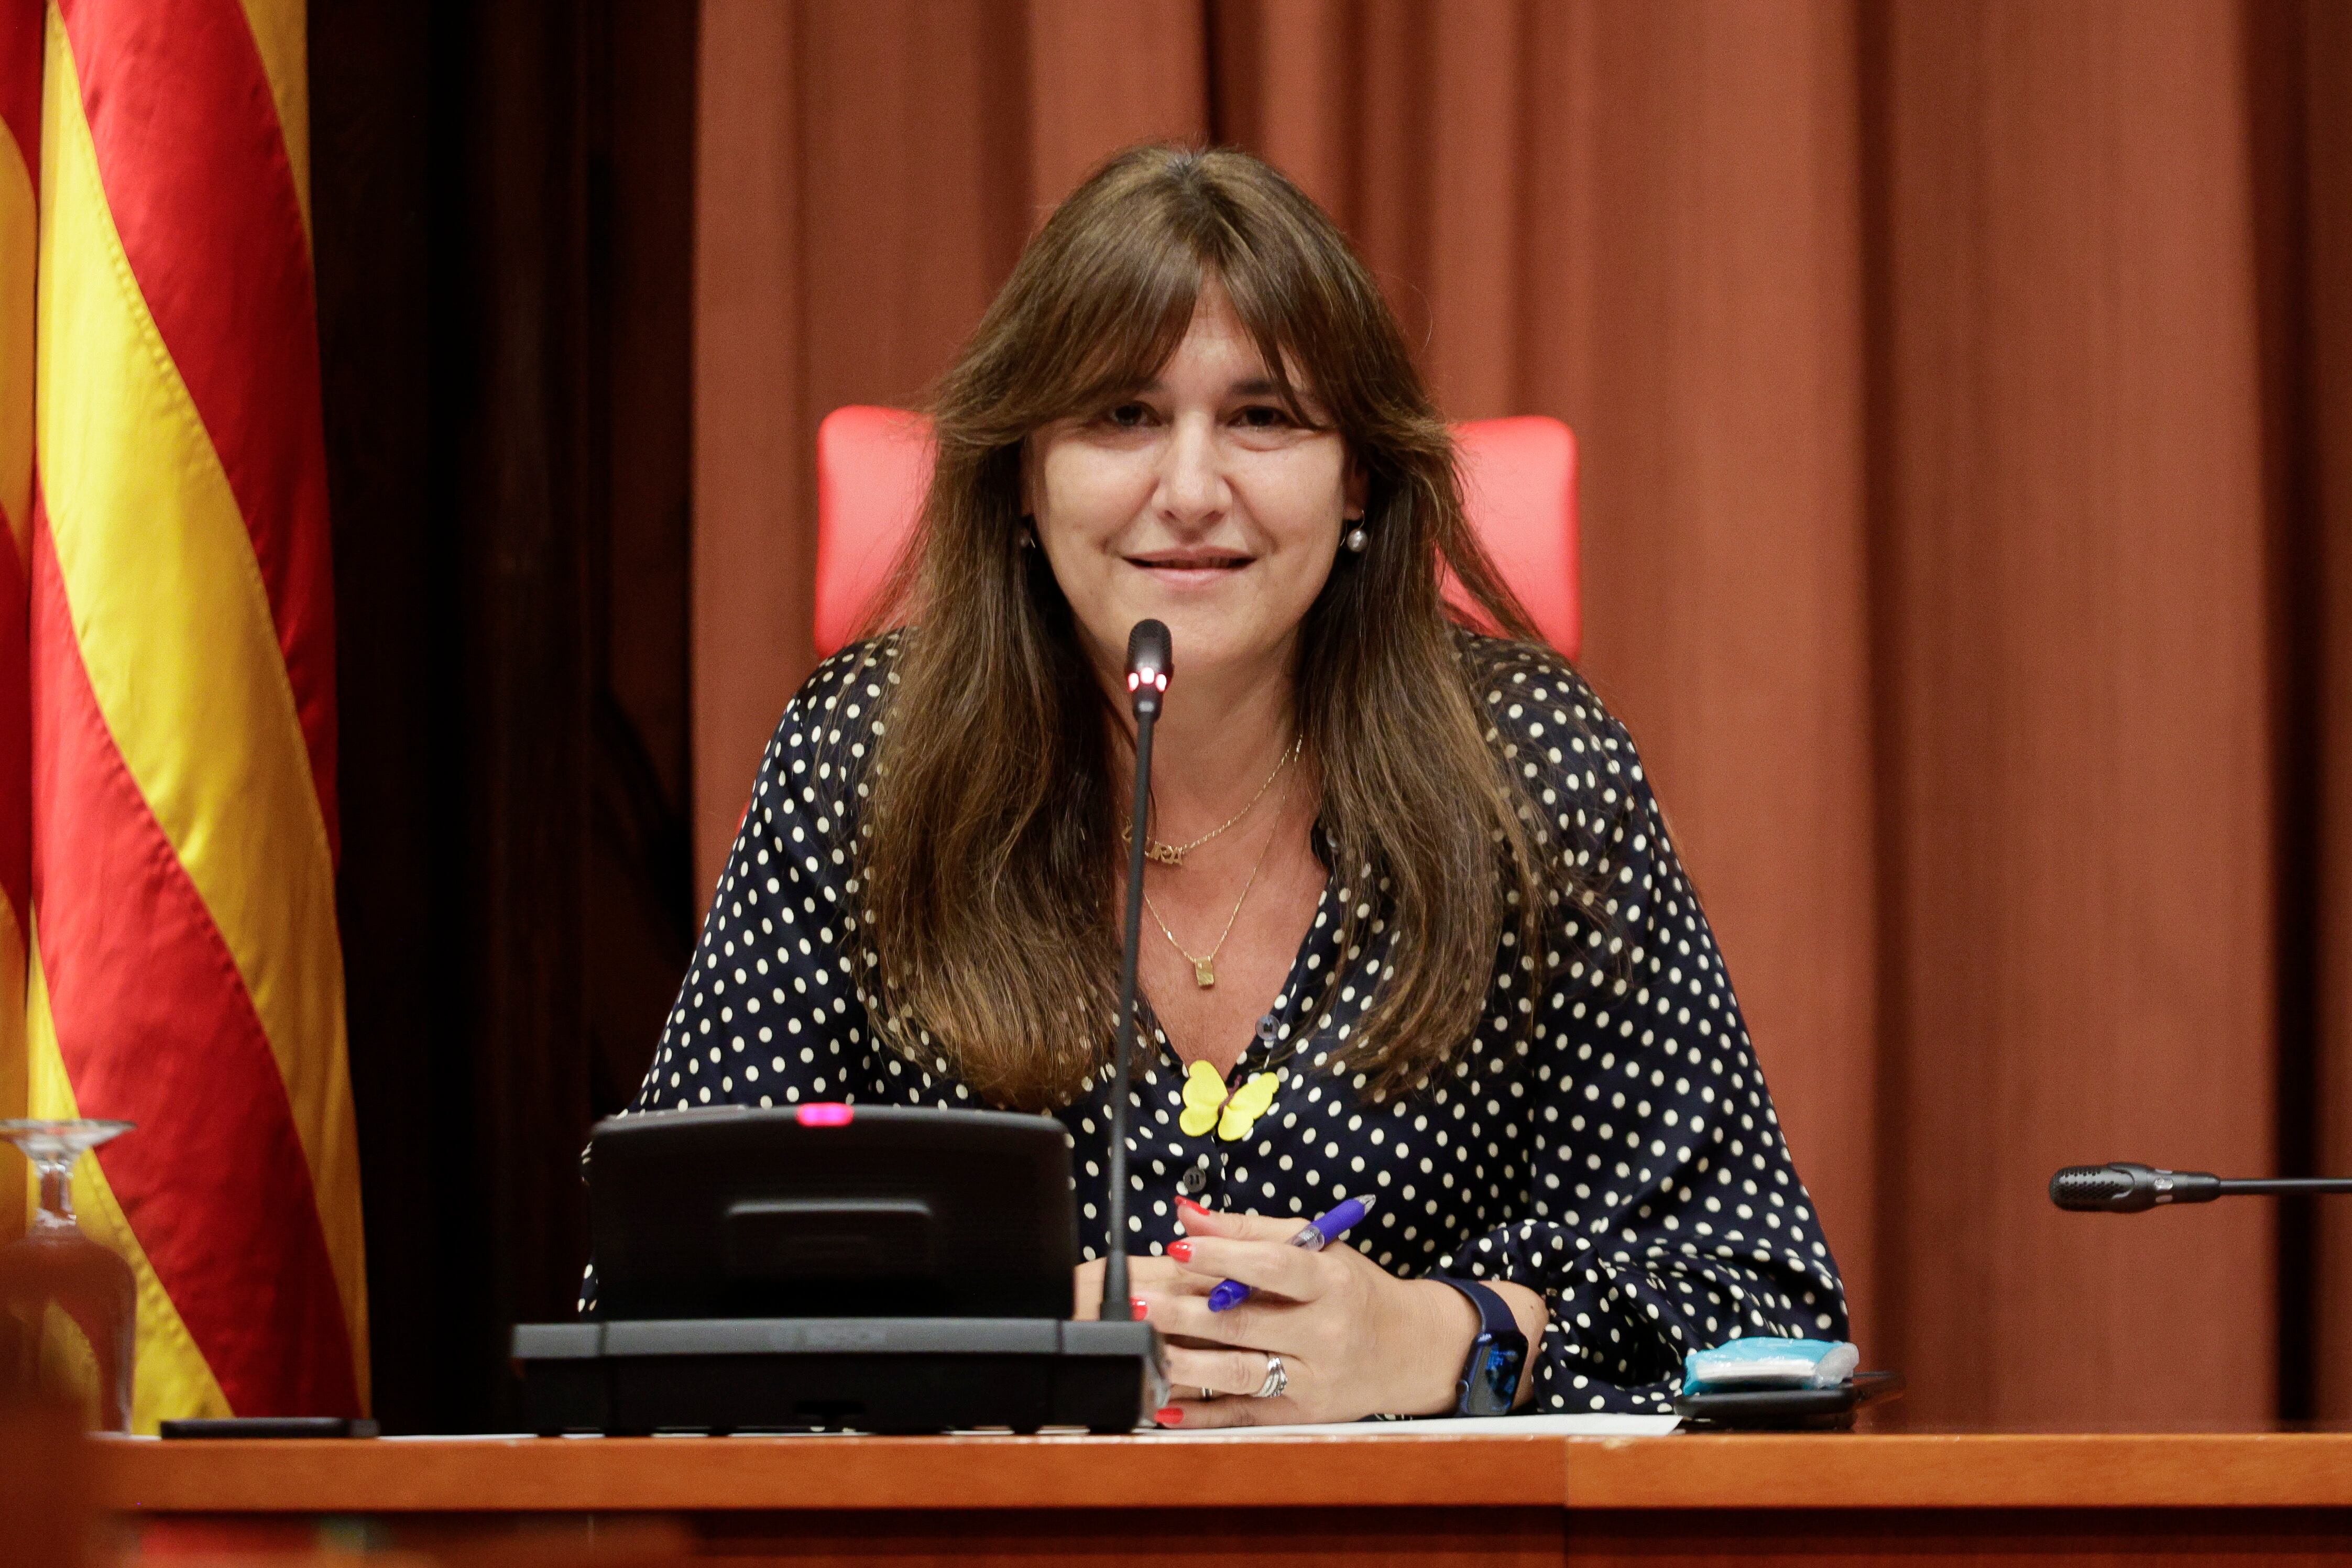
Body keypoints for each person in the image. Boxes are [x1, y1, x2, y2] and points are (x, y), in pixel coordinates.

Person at [590, 145, 1845, 1426]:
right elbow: (651, 1309)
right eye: (1121, 416)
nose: (1189, 493)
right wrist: (988, 1337)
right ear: (1025, 474)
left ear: (1356, 474)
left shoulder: (1526, 772)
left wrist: (1447, 1337)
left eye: (1263, 418)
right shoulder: (870, 763)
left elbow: (1766, 1305)